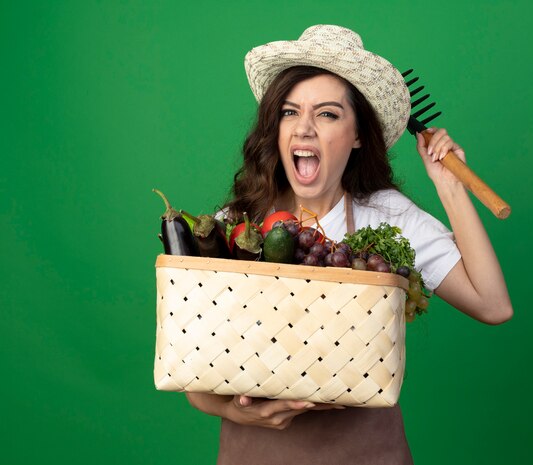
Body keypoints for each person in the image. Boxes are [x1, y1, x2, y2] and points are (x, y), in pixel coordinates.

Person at [185, 24, 513, 464]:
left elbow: (493, 306)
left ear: (358, 134)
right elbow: (193, 378)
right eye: (288, 112)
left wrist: (450, 188)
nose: (304, 128)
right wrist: (241, 414)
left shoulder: (388, 215)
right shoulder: (236, 228)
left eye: (327, 114)